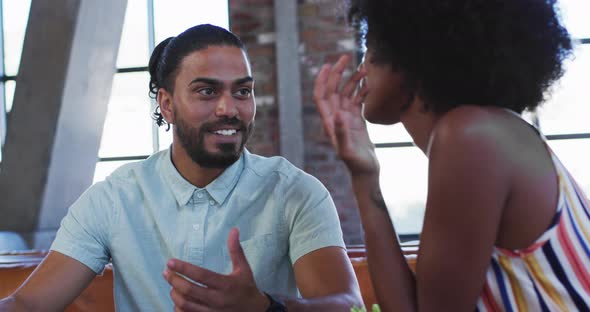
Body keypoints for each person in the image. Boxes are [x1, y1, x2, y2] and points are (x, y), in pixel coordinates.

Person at [0, 24, 363, 311]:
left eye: (242, 91)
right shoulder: (115, 198)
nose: (229, 108)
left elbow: (349, 306)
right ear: (168, 104)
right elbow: (28, 304)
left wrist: (267, 308)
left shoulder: (295, 192)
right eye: (207, 91)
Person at [314, 0, 590, 311]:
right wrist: (364, 176)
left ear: (412, 53)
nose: (362, 67)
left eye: (370, 48)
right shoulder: (494, 133)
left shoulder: (471, 137)